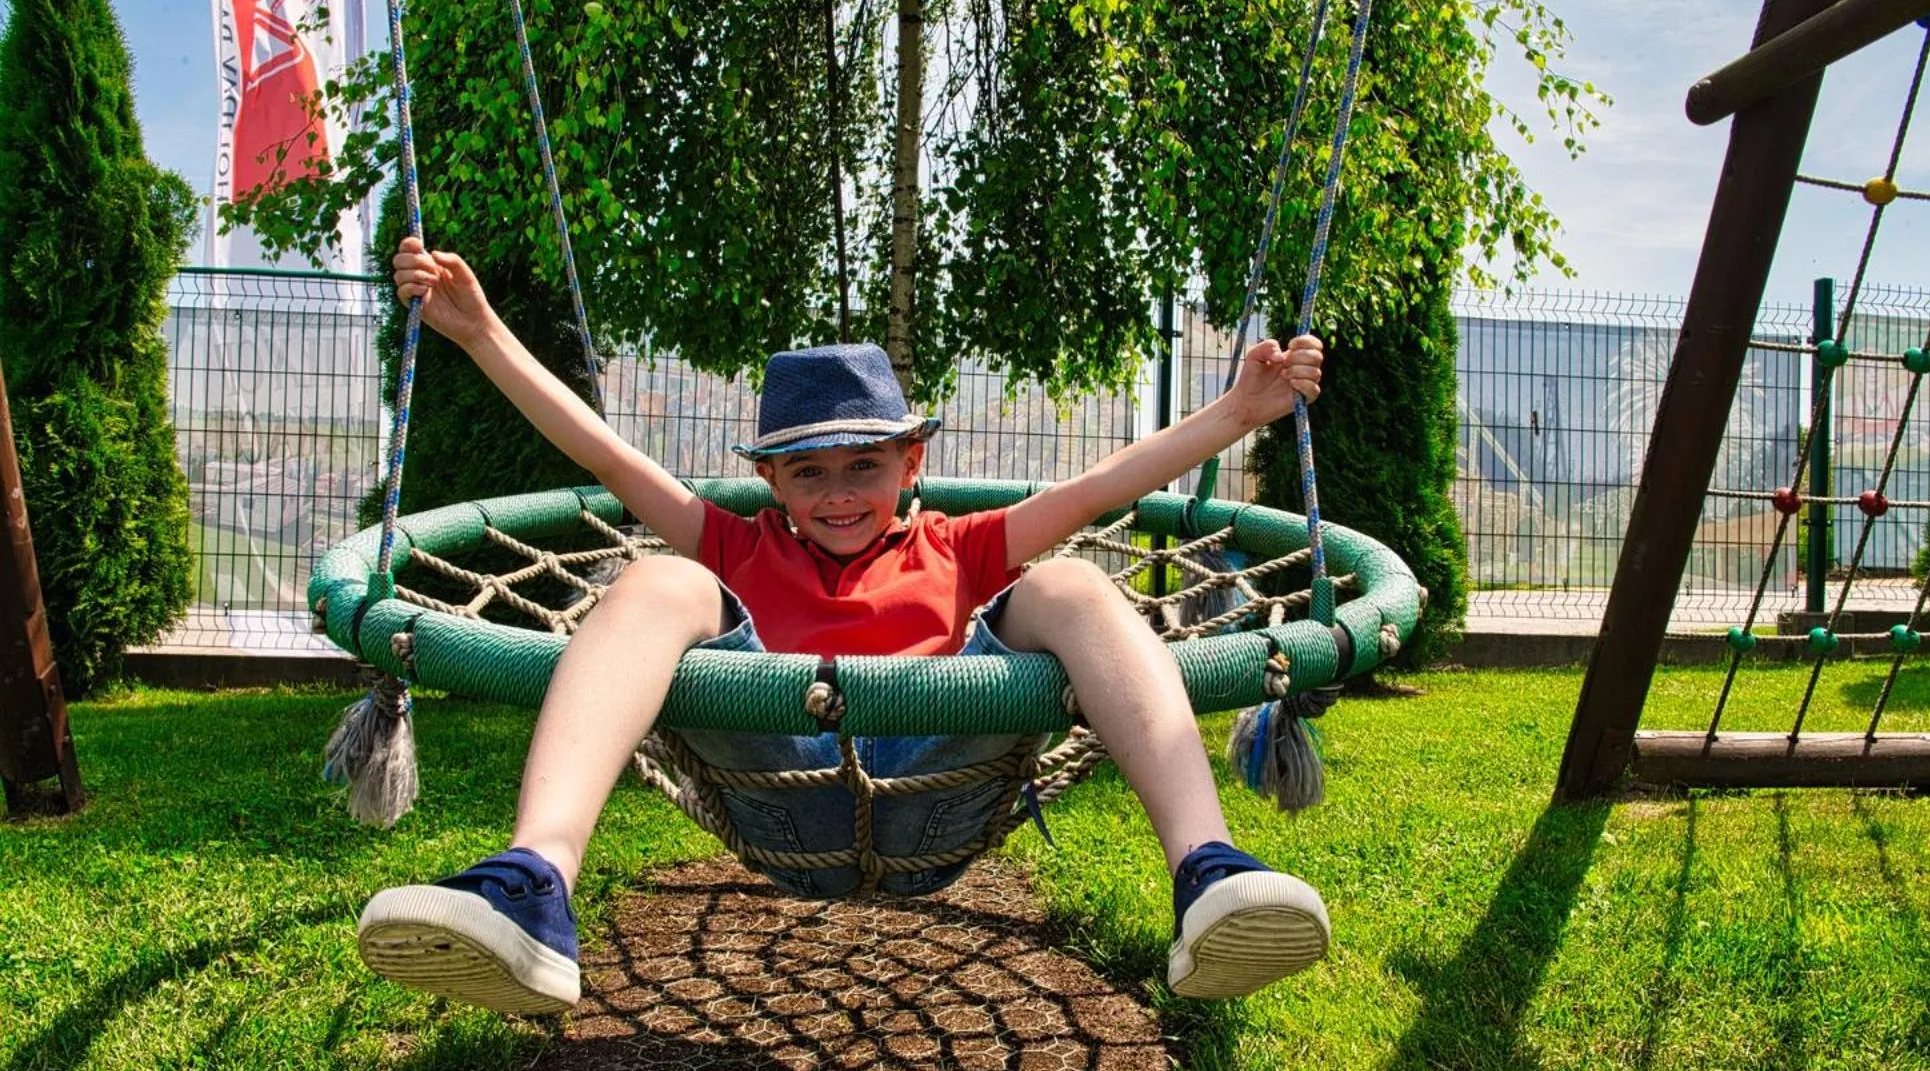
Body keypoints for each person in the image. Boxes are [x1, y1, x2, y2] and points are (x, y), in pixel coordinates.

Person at [356, 237, 1331, 1014]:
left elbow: (1104, 484)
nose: (836, 493)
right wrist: (483, 335)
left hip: (938, 781)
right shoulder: (737, 546)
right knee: (657, 580)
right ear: (770, 481)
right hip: (775, 778)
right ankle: (534, 884)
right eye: (808, 472)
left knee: (1071, 582)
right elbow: (607, 457)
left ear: (910, 464)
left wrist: (1238, 412)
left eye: (863, 464)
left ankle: (1205, 871)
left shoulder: (956, 547)